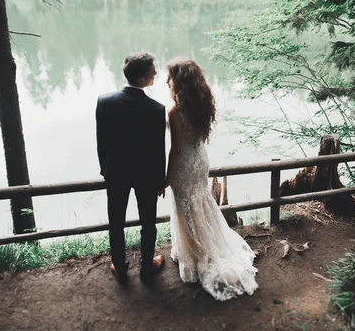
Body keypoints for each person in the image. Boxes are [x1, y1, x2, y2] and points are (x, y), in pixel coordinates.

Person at [160, 57, 258, 301]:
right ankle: (199, 249)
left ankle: (195, 258)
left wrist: (166, 178)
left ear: (179, 82)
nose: (166, 81)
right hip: (201, 160)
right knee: (201, 204)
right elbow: (197, 139)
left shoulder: (175, 111)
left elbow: (175, 150)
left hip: (184, 166)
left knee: (186, 208)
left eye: (170, 77)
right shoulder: (200, 103)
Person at [96, 52, 166, 285]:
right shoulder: (156, 109)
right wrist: (159, 180)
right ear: (141, 80)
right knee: (148, 222)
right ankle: (147, 266)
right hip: (146, 175)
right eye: (152, 72)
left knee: (115, 221)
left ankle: (119, 265)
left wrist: (105, 169)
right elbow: (158, 150)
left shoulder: (104, 101)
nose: (156, 73)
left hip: (115, 173)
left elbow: (102, 142)